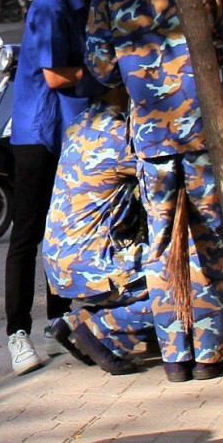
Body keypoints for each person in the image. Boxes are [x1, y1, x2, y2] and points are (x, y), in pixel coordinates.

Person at [85, 0, 223, 385]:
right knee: (208, 242)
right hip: (203, 133)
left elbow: (100, 67)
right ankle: (209, 355)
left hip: (151, 140)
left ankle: (174, 358)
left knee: (161, 242)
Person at [5, 0, 124, 374]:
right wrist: (108, 84)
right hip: (39, 134)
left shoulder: (98, 2)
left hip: (77, 133)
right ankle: (18, 333)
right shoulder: (51, 7)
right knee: (29, 234)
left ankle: (62, 321)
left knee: (67, 233)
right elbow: (56, 76)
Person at [42, 96, 159, 374]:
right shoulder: (121, 140)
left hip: (60, 264)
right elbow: (167, 175)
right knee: (185, 281)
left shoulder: (78, 127)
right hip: (93, 264)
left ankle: (73, 323)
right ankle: (100, 332)